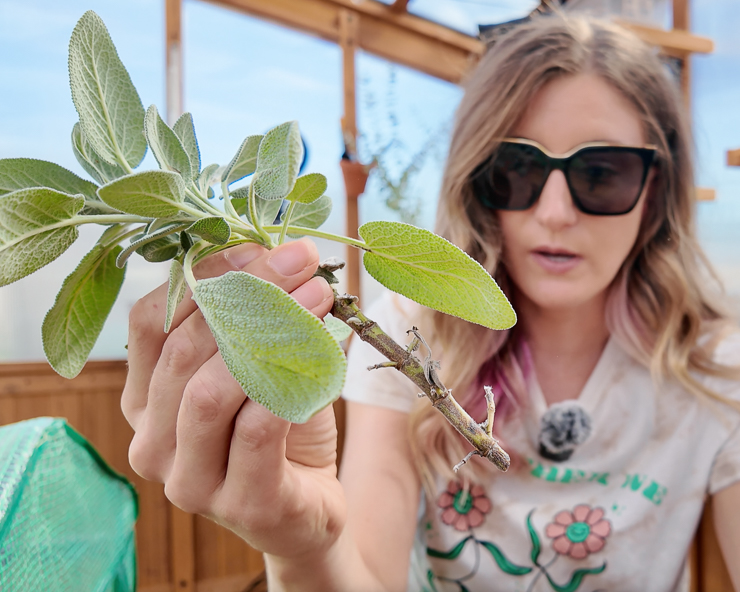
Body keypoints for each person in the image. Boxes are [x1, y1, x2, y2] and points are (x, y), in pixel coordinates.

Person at [121, 14, 740, 592]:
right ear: (480, 181)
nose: (555, 212)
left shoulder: (718, 371)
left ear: (654, 189)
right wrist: (302, 545)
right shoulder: (412, 332)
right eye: (518, 170)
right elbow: (367, 572)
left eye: (602, 174)